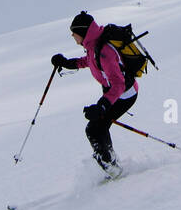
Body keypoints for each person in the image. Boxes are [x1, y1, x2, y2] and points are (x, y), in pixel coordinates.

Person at [50, 11, 137, 177]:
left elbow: (119, 84)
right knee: (100, 126)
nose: (72, 35)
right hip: (114, 93)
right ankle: (111, 162)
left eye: (74, 32)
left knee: (94, 129)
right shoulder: (93, 45)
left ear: (82, 32)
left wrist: (103, 105)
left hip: (124, 94)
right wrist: (68, 63)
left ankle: (111, 168)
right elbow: (90, 62)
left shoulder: (104, 51)